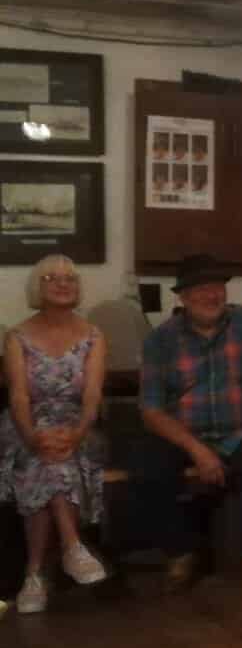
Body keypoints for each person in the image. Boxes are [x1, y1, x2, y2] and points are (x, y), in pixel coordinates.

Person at [136, 254, 242, 595]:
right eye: (202, 288)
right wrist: (197, 450)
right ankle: (180, 553)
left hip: (236, 433)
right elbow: (151, 411)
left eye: (218, 287)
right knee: (148, 468)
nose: (212, 295)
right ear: (183, 296)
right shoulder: (160, 340)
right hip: (183, 437)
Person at [0, 255, 108, 615]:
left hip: (79, 425)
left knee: (52, 458)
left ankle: (34, 576)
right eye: (51, 278)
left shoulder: (94, 335)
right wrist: (32, 436)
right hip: (26, 424)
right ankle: (72, 547)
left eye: (69, 278)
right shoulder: (16, 336)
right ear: (37, 286)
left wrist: (77, 433)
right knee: (45, 456)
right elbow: (19, 396)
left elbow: (92, 396)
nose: (62, 284)